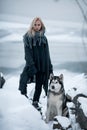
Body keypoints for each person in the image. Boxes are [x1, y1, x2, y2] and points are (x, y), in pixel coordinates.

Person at [19, 17, 53, 110]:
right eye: (35, 24)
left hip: (43, 65)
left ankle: (36, 103)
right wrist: (32, 66)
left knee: (40, 86)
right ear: (32, 25)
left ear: (41, 25)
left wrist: (50, 68)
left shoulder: (44, 38)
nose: (37, 27)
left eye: (39, 24)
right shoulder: (28, 37)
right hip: (33, 65)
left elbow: (47, 54)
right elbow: (27, 55)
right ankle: (22, 100)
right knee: (23, 79)